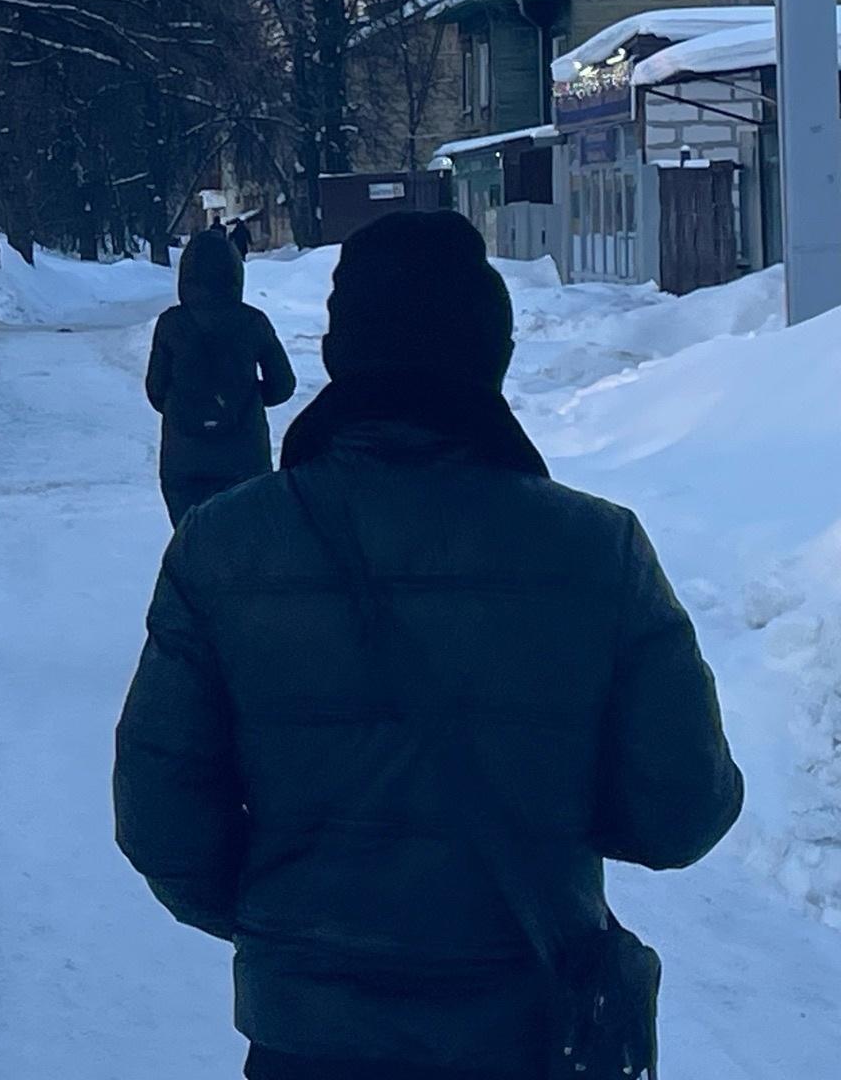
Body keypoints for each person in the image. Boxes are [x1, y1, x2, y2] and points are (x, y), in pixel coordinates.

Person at [113, 211, 743, 1080]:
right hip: (529, 1026)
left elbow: (161, 815)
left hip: (308, 1036)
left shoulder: (223, 547)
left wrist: (288, 923)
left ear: (344, 355)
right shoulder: (599, 551)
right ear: (493, 353)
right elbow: (682, 812)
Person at [144, 226, 295, 526]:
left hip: (184, 459)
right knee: (246, 544)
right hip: (245, 456)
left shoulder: (171, 324)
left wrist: (185, 405)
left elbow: (156, 390)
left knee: (193, 542)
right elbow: (284, 385)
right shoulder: (253, 322)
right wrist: (248, 397)